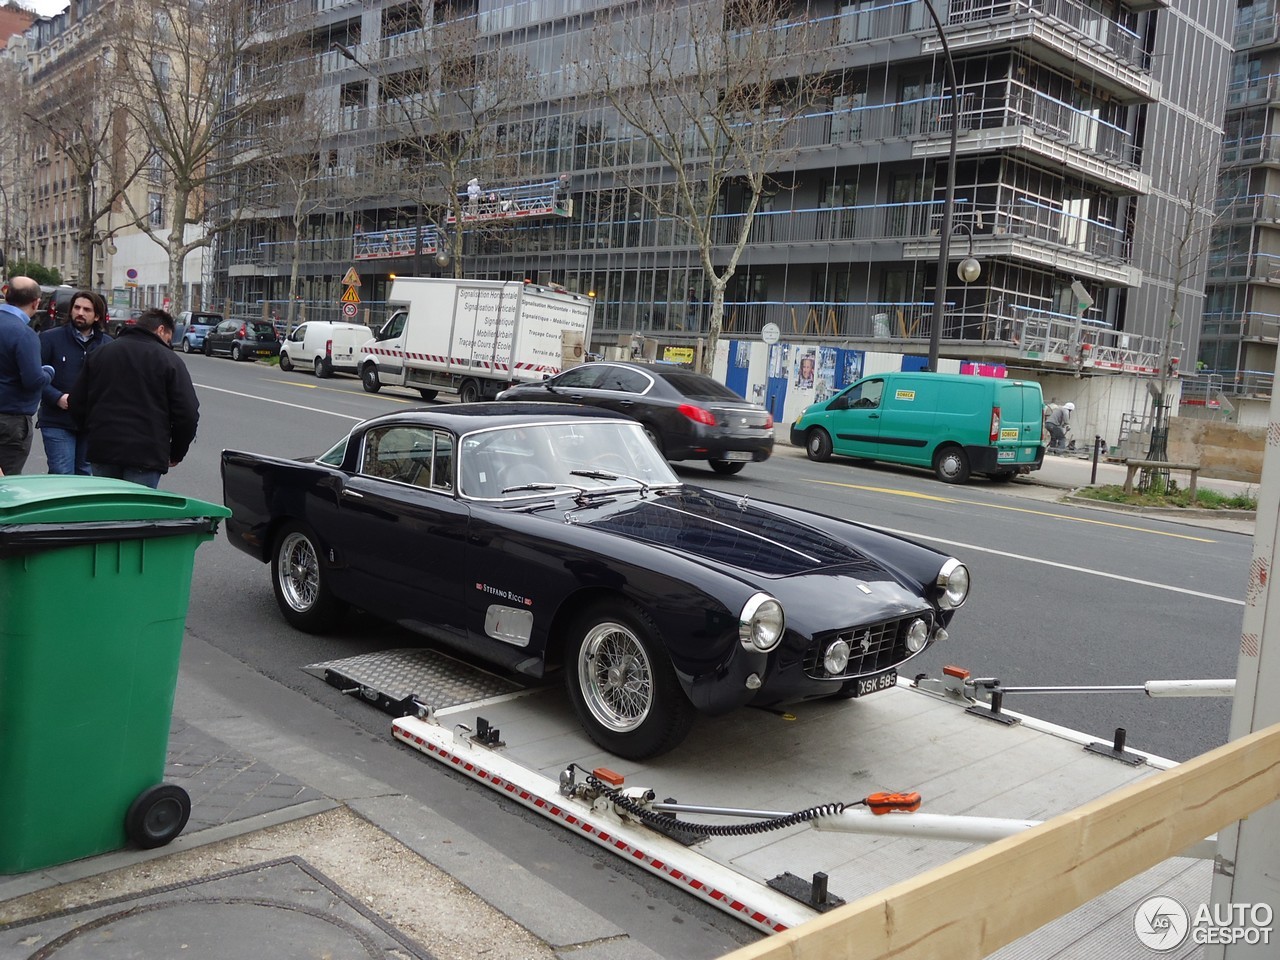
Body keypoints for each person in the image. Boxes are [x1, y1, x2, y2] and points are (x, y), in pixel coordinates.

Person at [69, 307, 199, 488]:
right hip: (146, 454)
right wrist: (176, 451)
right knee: (137, 513)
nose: (168, 345)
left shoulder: (100, 353)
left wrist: (92, 431)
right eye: (168, 340)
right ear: (161, 330)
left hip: (103, 448)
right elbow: (187, 413)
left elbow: (76, 401)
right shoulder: (170, 360)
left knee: (107, 511)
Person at [38, 290, 112, 475]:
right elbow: (36, 378)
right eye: (77, 307)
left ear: (97, 316)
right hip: (57, 420)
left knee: (86, 477)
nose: (80, 312)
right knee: (62, 474)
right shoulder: (50, 338)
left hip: (92, 424)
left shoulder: (108, 346)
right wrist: (57, 397)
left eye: (87, 309)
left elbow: (114, 384)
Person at [0, 276, 54, 475]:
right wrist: (49, 371)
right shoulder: (23, 334)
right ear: (36, 302)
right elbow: (33, 381)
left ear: (7, 294)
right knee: (6, 485)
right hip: (10, 421)